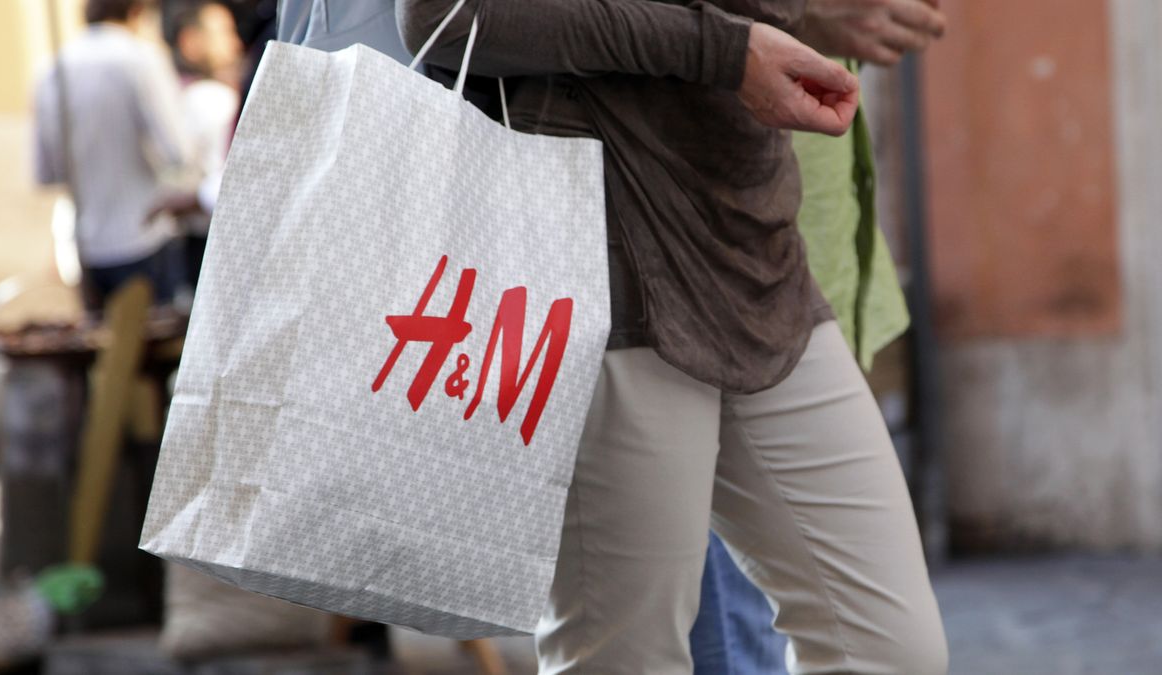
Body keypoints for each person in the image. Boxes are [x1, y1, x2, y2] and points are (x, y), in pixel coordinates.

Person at [284, 0, 949, 671]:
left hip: (755, 248)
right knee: (626, 656)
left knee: (889, 646)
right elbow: (447, 15)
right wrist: (724, 50)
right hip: (602, 256)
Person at [689, 2, 945, 671]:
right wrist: (802, 10)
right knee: (719, 644)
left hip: (795, 244)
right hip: (680, 240)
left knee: (880, 641)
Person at [33, 0, 192, 311]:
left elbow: (46, 172)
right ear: (137, 12)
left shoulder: (51, 68)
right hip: (145, 236)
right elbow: (179, 151)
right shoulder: (139, 58)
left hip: (87, 245)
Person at [165, 0, 244, 292]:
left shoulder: (180, 95)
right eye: (223, 33)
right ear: (191, 41)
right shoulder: (211, 99)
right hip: (211, 241)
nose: (234, 44)